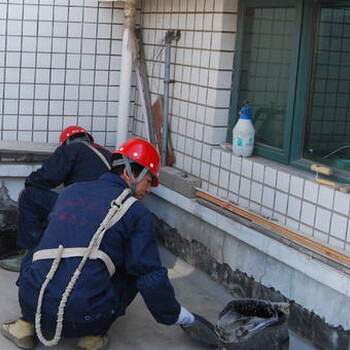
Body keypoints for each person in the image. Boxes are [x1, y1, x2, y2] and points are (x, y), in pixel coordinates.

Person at [1, 138, 199, 350]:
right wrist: (176, 314)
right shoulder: (136, 212)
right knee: (135, 268)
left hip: (31, 302)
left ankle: (24, 326)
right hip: (85, 316)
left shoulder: (70, 192)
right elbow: (149, 276)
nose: (149, 190)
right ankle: (92, 337)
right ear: (130, 174)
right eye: (149, 181)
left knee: (44, 246)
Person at [0, 126, 112, 272]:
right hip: (108, 216)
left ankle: (31, 254)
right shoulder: (108, 155)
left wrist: (32, 183)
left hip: (82, 211)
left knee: (29, 195)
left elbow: (45, 177)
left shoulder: (72, 149)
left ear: (66, 142)